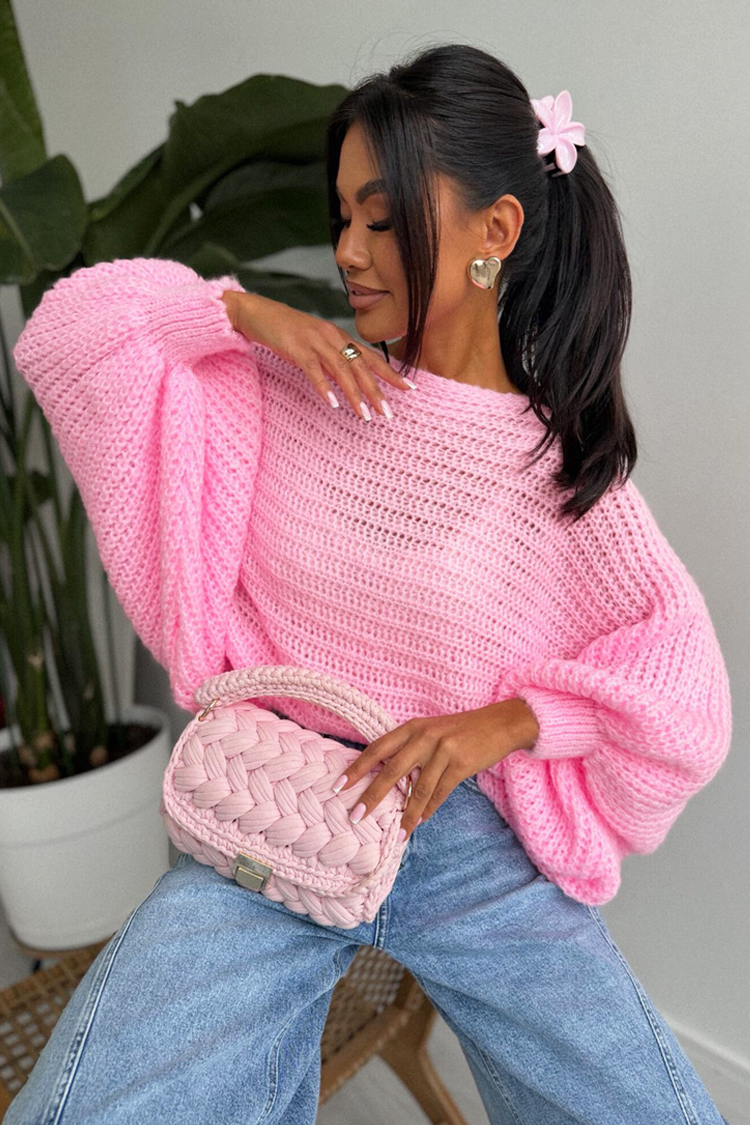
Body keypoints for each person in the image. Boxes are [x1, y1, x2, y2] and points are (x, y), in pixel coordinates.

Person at [8, 42, 733, 1125]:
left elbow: (684, 686)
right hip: (270, 816)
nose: (348, 250)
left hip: (465, 844)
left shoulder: (561, 472)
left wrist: (509, 722)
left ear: (497, 231)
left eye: (384, 219)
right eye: (342, 215)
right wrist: (240, 313)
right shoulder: (296, 384)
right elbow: (68, 333)